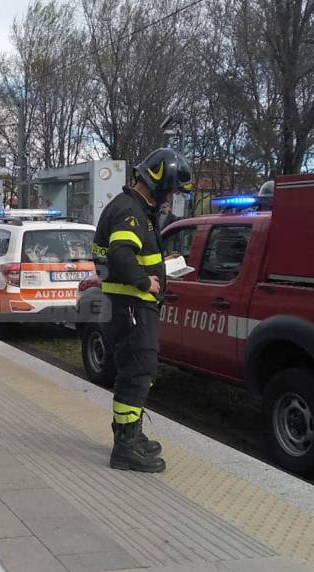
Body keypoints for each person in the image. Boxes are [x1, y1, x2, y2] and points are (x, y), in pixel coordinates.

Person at [91, 148, 193, 473]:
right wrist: (144, 283)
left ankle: (129, 434)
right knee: (138, 370)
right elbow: (121, 254)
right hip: (132, 306)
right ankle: (125, 447)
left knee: (137, 370)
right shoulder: (130, 211)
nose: (169, 199)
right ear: (158, 184)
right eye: (170, 192)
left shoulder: (132, 208)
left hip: (129, 307)